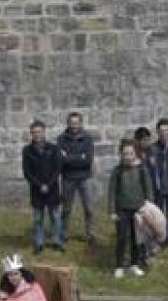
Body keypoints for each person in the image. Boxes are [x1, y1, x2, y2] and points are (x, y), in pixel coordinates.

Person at [108, 140, 152, 278]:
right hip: (122, 210)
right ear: (121, 154)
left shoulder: (141, 169)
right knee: (121, 238)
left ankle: (134, 264)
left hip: (138, 210)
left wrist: (148, 207)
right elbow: (112, 191)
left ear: (135, 154)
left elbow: (148, 189)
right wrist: (112, 211)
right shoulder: (117, 171)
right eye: (125, 153)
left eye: (130, 153)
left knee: (136, 239)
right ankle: (119, 265)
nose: (128, 156)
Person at [20, 120, 65, 253]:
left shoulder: (53, 148)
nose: (37, 135)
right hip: (36, 190)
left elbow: (58, 168)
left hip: (52, 189)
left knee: (55, 217)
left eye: (39, 132)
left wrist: (49, 184)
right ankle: (39, 243)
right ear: (31, 134)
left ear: (44, 132)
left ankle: (58, 242)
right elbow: (27, 172)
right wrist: (39, 185)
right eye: (34, 132)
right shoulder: (27, 151)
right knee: (38, 219)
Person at [58, 112, 98, 244]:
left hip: (85, 178)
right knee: (66, 209)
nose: (74, 125)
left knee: (89, 208)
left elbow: (88, 160)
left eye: (76, 123)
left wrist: (70, 157)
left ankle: (91, 234)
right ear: (68, 123)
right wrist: (78, 157)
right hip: (68, 178)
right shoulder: (61, 139)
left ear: (81, 123)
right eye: (71, 123)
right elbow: (61, 160)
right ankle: (63, 234)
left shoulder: (87, 138)